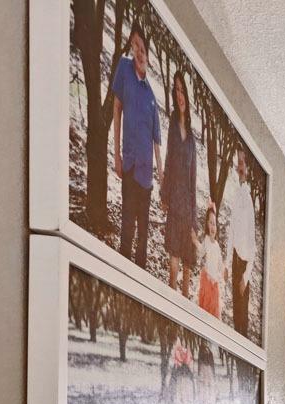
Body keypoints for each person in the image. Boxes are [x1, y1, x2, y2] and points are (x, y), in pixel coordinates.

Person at [111, 22, 162, 269]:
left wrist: (160, 178)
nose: (139, 52)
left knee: (143, 236)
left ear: (148, 55)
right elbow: (117, 110)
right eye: (135, 47)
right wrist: (116, 155)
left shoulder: (152, 96)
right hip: (130, 165)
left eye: (142, 48)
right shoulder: (123, 68)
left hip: (147, 178)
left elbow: (156, 143)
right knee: (127, 229)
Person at [162, 69, 197, 299]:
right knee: (173, 259)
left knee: (187, 264)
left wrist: (194, 219)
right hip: (174, 201)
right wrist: (165, 195)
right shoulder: (173, 127)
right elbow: (167, 161)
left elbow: (194, 181)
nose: (180, 95)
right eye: (176, 91)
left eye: (182, 90)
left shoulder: (193, 139)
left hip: (188, 207)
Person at [225, 148, 256, 336]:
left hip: (244, 265)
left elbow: (252, 243)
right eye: (238, 163)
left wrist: (246, 276)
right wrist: (229, 263)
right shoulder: (237, 195)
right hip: (236, 262)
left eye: (242, 163)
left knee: (243, 315)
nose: (240, 167)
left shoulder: (249, 199)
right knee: (236, 312)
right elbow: (232, 231)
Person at [196, 203, 224, 321]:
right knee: (206, 308)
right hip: (207, 280)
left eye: (214, 224)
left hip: (215, 283)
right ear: (207, 225)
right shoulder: (206, 240)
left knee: (214, 310)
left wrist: (222, 272)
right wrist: (195, 241)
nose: (213, 227)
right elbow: (201, 252)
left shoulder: (217, 245)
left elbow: (219, 263)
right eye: (210, 223)